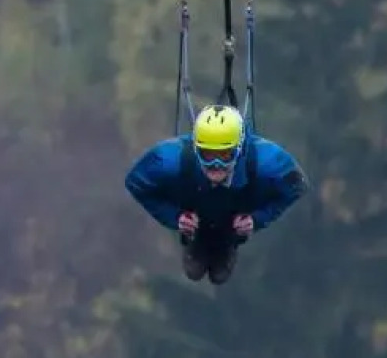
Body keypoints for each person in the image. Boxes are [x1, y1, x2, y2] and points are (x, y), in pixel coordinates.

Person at [123, 104, 307, 285]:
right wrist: (174, 217)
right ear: (196, 149)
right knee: (194, 272)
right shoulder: (169, 158)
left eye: (225, 155)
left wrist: (257, 218)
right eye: (208, 155)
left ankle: (227, 245)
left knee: (219, 275)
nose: (216, 164)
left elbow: (296, 186)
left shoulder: (267, 160)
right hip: (195, 218)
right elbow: (136, 183)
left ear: (239, 150)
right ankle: (197, 244)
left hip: (234, 221)